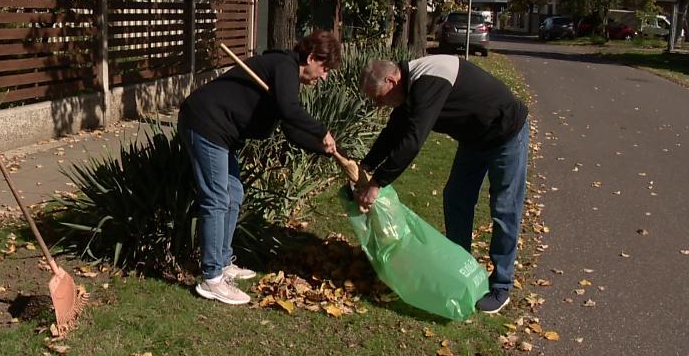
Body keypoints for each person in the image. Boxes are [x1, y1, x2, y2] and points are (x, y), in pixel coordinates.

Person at [355, 55, 529, 314]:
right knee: (456, 198)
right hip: (474, 138)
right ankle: (461, 267)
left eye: (378, 97)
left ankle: (501, 285)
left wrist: (378, 183)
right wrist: (365, 166)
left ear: (392, 80)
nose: (378, 104)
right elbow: (394, 131)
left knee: (504, 208)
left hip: (505, 132)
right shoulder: (409, 87)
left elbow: (413, 139)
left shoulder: (428, 81)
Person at [178, 30, 341, 305]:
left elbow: (290, 129)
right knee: (217, 198)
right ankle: (212, 278)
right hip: (205, 124)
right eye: (324, 69)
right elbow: (290, 110)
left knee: (234, 193)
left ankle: (223, 261)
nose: (324, 76)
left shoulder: (284, 75)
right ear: (312, 57)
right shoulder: (284, 66)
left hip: (221, 134)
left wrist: (324, 148)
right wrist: (322, 130)